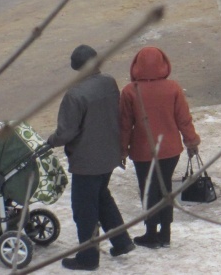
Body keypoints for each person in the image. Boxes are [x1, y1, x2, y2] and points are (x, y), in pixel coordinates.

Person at [47, 44, 136, 271]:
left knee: (84, 210)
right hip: (108, 156)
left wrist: (50, 141)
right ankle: (122, 242)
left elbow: (66, 132)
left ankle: (88, 258)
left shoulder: (75, 95)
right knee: (102, 197)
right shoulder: (109, 82)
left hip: (87, 161)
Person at [120, 46, 201, 249]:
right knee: (165, 188)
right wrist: (191, 141)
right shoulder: (173, 88)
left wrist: (121, 150)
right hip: (170, 150)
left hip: (143, 151)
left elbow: (124, 125)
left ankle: (151, 233)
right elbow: (184, 120)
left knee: (148, 190)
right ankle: (165, 233)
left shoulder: (130, 91)